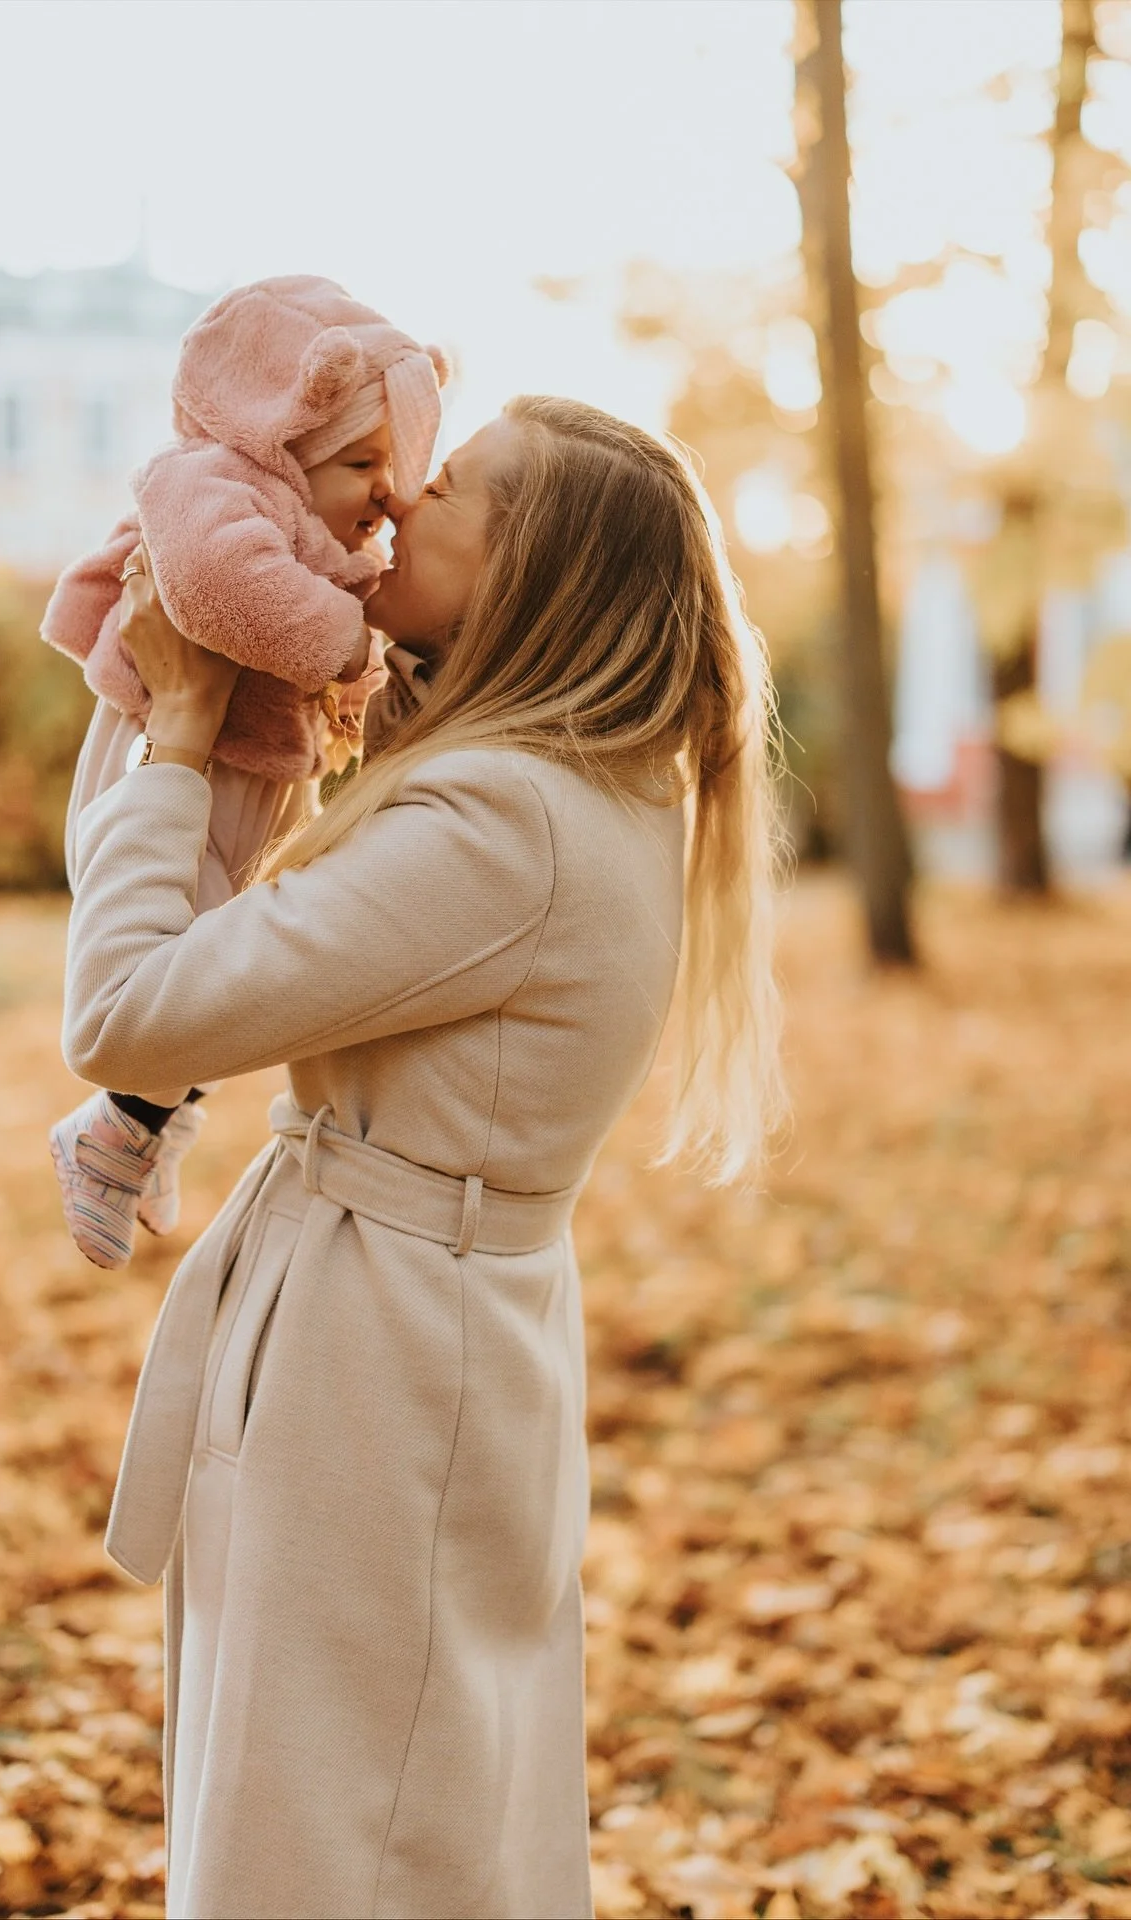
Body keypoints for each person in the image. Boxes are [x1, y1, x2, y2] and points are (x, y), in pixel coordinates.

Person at [61, 396, 786, 1919]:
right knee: (397, 1801)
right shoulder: (556, 786)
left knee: (345, 1828)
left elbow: (132, 1015)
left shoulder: (504, 824)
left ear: (529, 572)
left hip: (389, 1358)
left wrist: (182, 735)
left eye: (447, 487)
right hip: (405, 1321)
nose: (401, 495)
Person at [43, 276, 444, 1266]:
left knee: (231, 958)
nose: (387, 498)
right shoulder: (210, 483)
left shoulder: (301, 514)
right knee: (183, 961)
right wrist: (350, 643)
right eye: (362, 463)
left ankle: (147, 1120)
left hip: (241, 771)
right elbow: (228, 588)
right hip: (173, 766)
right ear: (281, 433)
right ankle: (118, 1131)